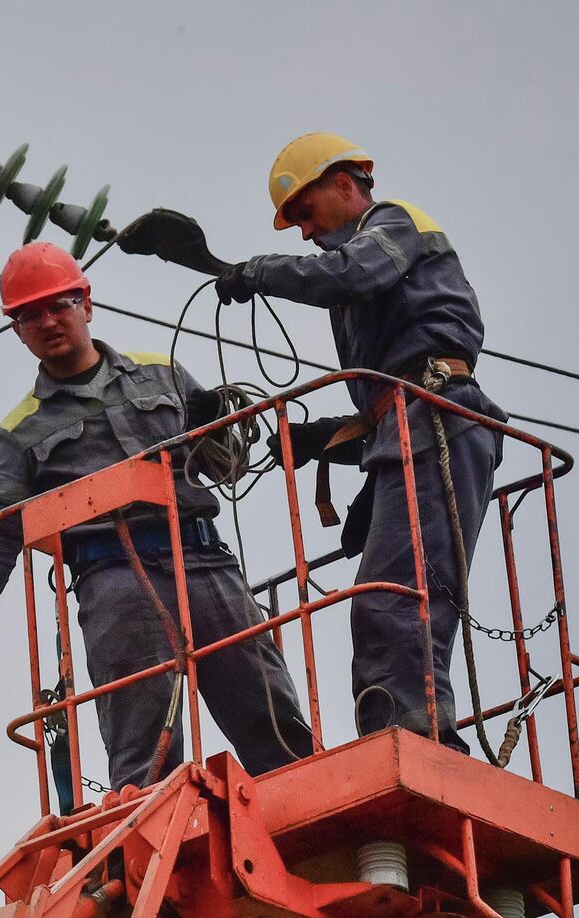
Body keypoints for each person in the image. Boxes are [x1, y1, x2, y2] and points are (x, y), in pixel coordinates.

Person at [121, 135, 506, 751]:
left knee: (396, 598)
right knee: (383, 600)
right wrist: (318, 439)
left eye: (304, 213)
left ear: (344, 186)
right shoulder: (368, 269)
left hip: (440, 419)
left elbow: (351, 278)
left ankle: (420, 741)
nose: (301, 233)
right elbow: (386, 393)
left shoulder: (394, 224)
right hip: (410, 425)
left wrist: (256, 271)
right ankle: (401, 736)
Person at [0, 242, 312, 791]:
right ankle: (154, 843)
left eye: (57, 305)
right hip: (114, 582)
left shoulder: (164, 375)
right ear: (16, 330)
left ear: (85, 303)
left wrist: (219, 426)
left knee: (270, 715)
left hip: (203, 560)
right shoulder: (21, 431)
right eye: (28, 315)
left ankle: (309, 817)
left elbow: (227, 468)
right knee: (145, 749)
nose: (46, 321)